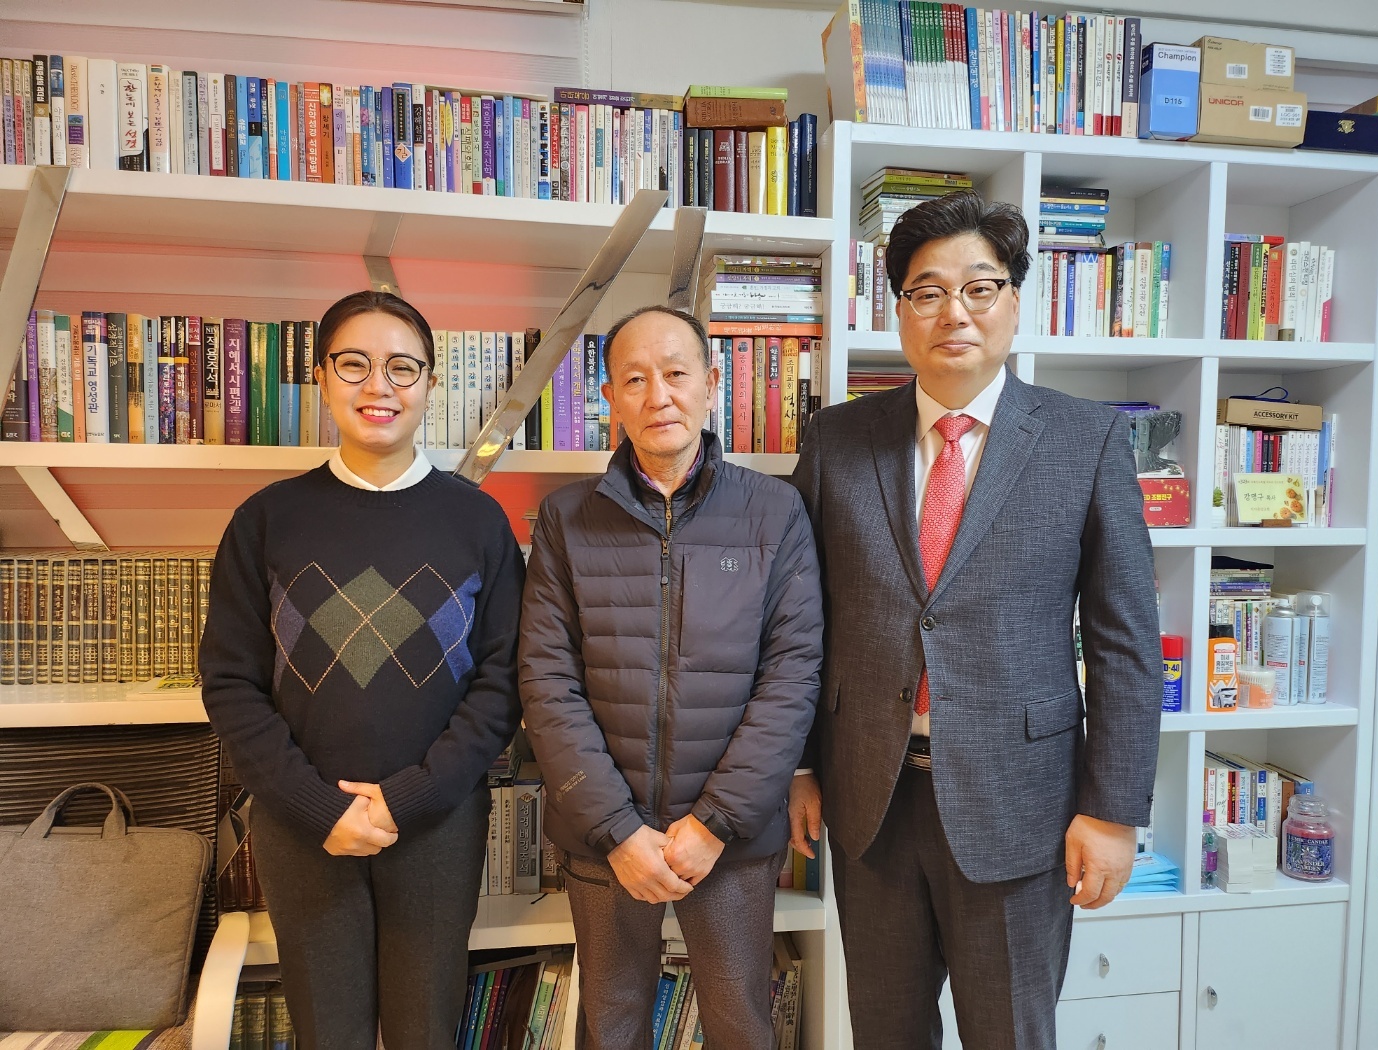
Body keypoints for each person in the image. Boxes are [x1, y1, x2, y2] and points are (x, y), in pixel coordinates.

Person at [788, 191, 1161, 1049]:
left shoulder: (1085, 440)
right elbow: (801, 619)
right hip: (871, 803)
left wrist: (1112, 811)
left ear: (1014, 301)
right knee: (886, 1033)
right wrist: (801, 766)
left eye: (979, 288)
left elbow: (1125, 641)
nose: (953, 312)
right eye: (927, 292)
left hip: (1021, 807)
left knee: (1010, 1035)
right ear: (900, 310)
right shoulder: (837, 440)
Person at [199, 290, 525, 1050]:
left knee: (425, 1029)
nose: (379, 386)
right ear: (320, 377)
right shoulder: (267, 519)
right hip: (302, 826)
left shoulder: (478, 522)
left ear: (430, 384)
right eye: (354, 364)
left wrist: (414, 796)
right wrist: (318, 808)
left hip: (438, 822)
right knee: (328, 1031)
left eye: (402, 368)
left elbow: (504, 678)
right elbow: (231, 682)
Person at [518, 306, 823, 1050]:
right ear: (610, 399)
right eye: (635, 380)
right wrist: (619, 831)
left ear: (712, 384)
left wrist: (714, 823)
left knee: (739, 1020)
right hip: (604, 834)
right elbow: (546, 680)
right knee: (610, 1020)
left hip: (729, 837)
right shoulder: (564, 518)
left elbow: (792, 675)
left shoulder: (775, 510)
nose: (659, 395)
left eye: (677, 373)